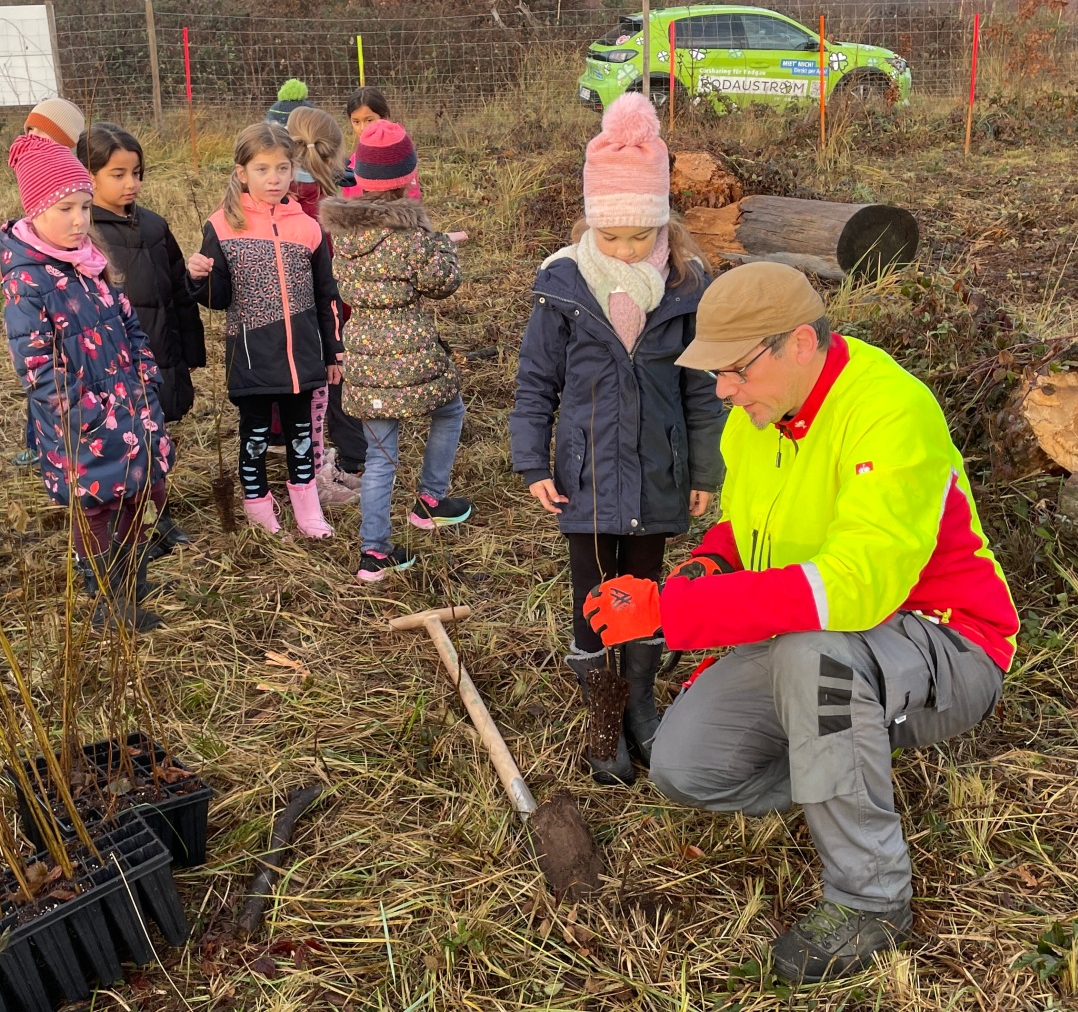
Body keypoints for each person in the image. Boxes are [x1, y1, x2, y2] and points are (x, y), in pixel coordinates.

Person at [576, 261, 1020, 983]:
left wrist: (677, 611)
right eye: (714, 372)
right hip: (817, 643)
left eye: (735, 371)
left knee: (816, 656)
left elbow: (855, 590)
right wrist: (699, 572)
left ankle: (872, 900)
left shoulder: (889, 410)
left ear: (801, 344)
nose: (721, 390)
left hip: (947, 641)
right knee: (686, 767)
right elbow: (742, 531)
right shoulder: (757, 415)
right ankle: (845, 763)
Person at [508, 93, 725, 785]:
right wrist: (530, 458)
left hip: (659, 468)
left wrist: (703, 470)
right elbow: (535, 381)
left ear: (664, 225)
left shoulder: (687, 288)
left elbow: (701, 387)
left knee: (643, 587)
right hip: (588, 472)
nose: (628, 249)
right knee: (592, 590)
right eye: (614, 236)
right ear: (590, 224)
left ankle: (639, 701)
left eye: (641, 236)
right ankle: (601, 712)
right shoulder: (563, 287)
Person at [0, 133, 173, 632]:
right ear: (35, 213)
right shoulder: (29, 280)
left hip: (128, 404)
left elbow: (128, 323)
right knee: (98, 505)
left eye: (83, 208)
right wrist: (89, 417)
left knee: (136, 491)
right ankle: (105, 596)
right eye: (65, 210)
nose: (79, 220)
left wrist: (145, 376)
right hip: (86, 425)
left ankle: (126, 575)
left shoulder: (88, 264)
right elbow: (38, 367)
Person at [318, 119, 470, 582]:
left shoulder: (342, 234)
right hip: (414, 348)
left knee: (380, 453)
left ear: (358, 175)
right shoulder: (411, 234)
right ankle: (430, 499)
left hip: (363, 348)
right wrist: (443, 246)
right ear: (409, 176)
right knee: (450, 411)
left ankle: (374, 553)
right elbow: (443, 284)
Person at [185, 121, 343, 538]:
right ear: (242, 173)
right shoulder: (221, 225)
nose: (273, 179)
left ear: (294, 170)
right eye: (261, 169)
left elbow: (327, 295)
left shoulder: (308, 226)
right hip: (252, 359)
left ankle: (308, 510)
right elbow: (218, 299)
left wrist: (333, 352)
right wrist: (200, 278)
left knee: (302, 438)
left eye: (282, 168)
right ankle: (259, 510)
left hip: (303, 360)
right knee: (254, 439)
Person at [77, 122, 205, 553]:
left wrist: (188, 353)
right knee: (120, 448)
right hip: (113, 367)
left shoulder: (153, 226)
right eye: (118, 174)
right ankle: (123, 529)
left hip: (159, 356)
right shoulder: (83, 234)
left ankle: (157, 517)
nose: (131, 183)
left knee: (156, 441)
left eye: (136, 172)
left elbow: (178, 294)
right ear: (87, 174)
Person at [286, 105, 368, 507]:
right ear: (335, 155)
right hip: (327, 322)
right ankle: (316, 479)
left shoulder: (281, 199)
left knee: (314, 403)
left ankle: (322, 468)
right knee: (322, 401)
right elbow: (335, 279)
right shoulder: (324, 207)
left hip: (291, 324)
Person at [340, 88, 420, 201]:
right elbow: (346, 198)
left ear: (384, 118)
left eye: (369, 120)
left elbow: (412, 196)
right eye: (356, 122)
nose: (363, 128)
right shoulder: (353, 161)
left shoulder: (399, 157)